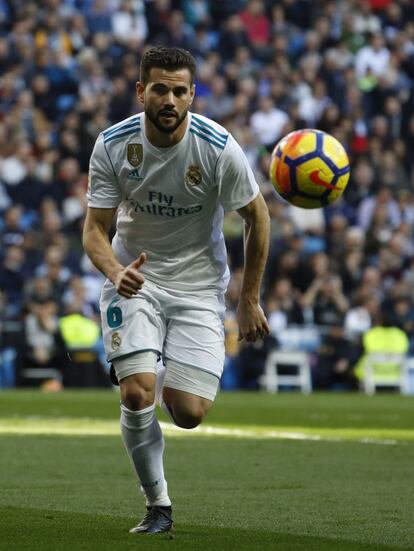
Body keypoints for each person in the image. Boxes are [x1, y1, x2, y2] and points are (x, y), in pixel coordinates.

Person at [82, 46, 270, 535]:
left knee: (188, 413)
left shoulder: (217, 147)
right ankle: (157, 506)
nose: (170, 99)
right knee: (138, 393)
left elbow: (257, 216)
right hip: (135, 279)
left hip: (200, 287)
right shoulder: (113, 145)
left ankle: (149, 361)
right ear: (141, 91)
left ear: (192, 95)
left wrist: (249, 299)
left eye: (180, 90)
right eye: (160, 88)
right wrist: (113, 268)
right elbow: (94, 230)